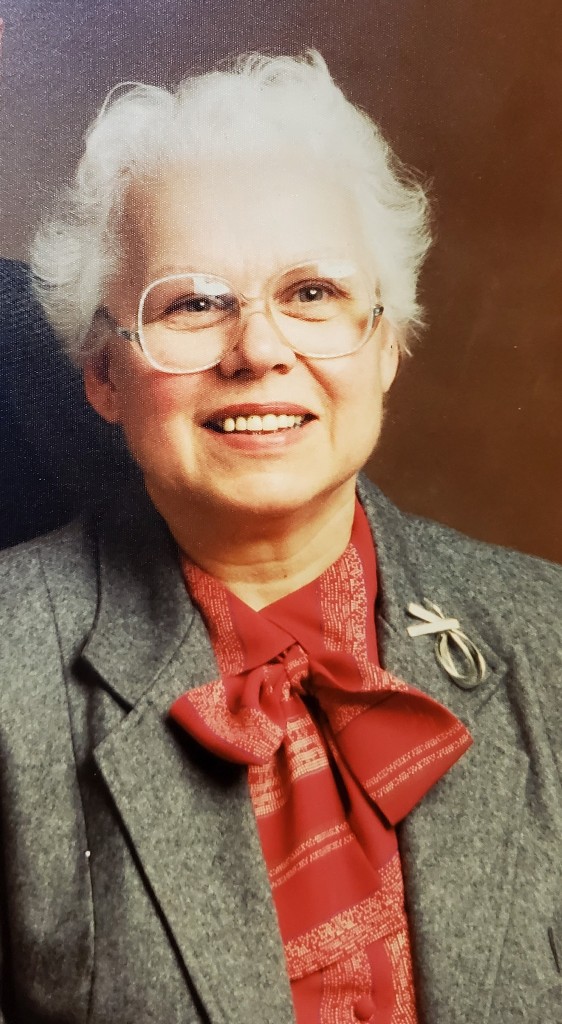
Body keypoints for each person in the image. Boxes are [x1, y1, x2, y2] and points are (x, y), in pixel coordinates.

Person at [0, 52, 559, 1024]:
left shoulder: (549, 633)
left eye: (311, 293)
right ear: (102, 374)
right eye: (193, 302)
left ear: (387, 344)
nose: (259, 350)